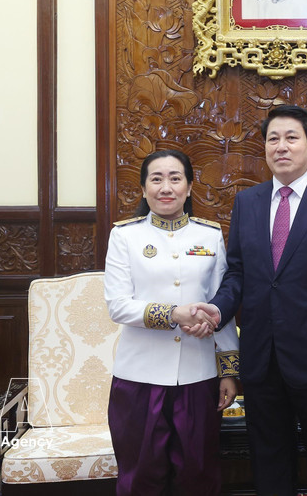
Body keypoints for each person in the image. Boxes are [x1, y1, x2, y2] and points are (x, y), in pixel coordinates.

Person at [184, 105, 307, 496]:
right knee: (269, 460)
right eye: (273, 139)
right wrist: (218, 309)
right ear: (265, 148)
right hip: (262, 356)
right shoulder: (247, 203)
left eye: (291, 138)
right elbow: (236, 273)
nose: (281, 147)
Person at [104, 148, 239, 496]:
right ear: (144, 188)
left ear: (190, 187)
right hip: (139, 379)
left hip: (198, 375)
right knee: (140, 476)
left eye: (175, 178)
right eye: (157, 178)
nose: (166, 187)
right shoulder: (125, 236)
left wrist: (228, 370)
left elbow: (221, 307)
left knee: (199, 474)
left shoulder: (209, 236)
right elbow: (118, 306)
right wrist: (172, 315)